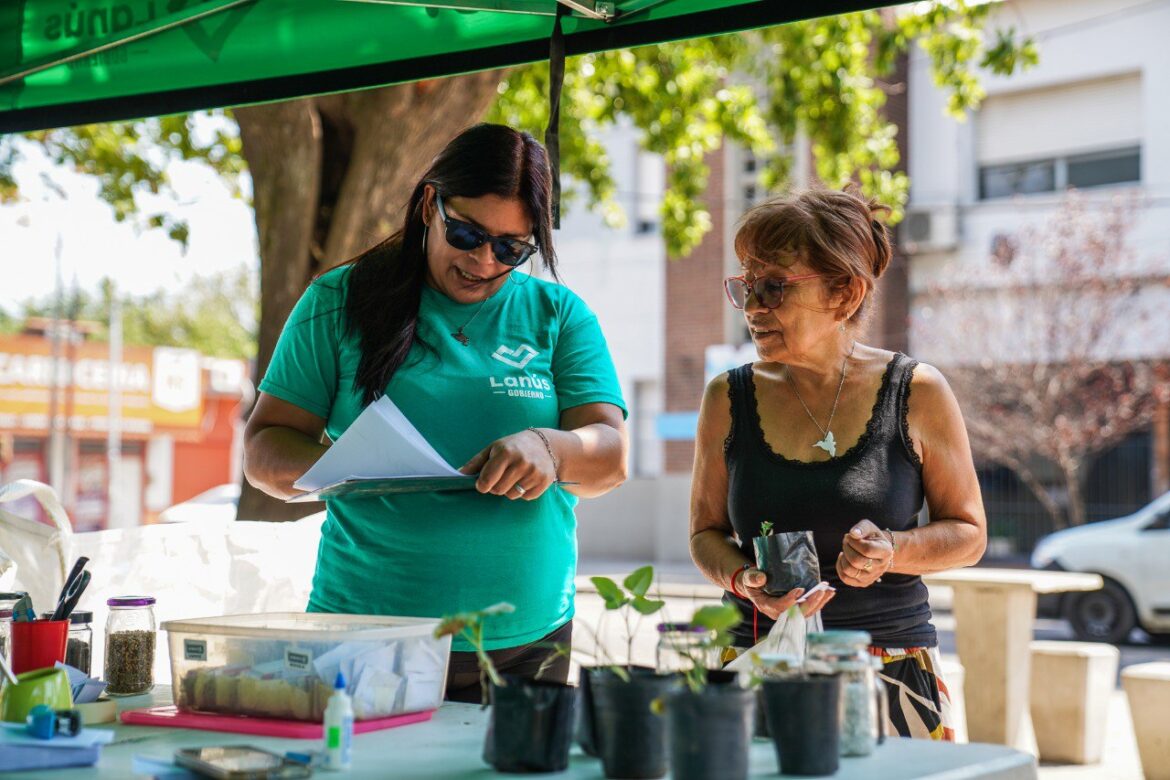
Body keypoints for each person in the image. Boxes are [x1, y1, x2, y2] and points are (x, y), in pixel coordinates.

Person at [243, 123, 628, 702]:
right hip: (367, 633)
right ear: (430, 204)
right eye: (467, 233)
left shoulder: (559, 314)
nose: (483, 261)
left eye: (510, 249)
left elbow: (611, 456)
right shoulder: (339, 300)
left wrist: (551, 449)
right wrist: (340, 466)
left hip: (526, 642)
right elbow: (264, 448)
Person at [689, 187, 987, 741]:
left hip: (890, 666)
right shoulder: (725, 398)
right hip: (752, 656)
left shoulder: (917, 391)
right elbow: (705, 533)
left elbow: (969, 534)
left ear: (845, 294)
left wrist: (894, 550)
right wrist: (745, 580)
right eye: (748, 286)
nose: (754, 307)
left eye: (774, 287)